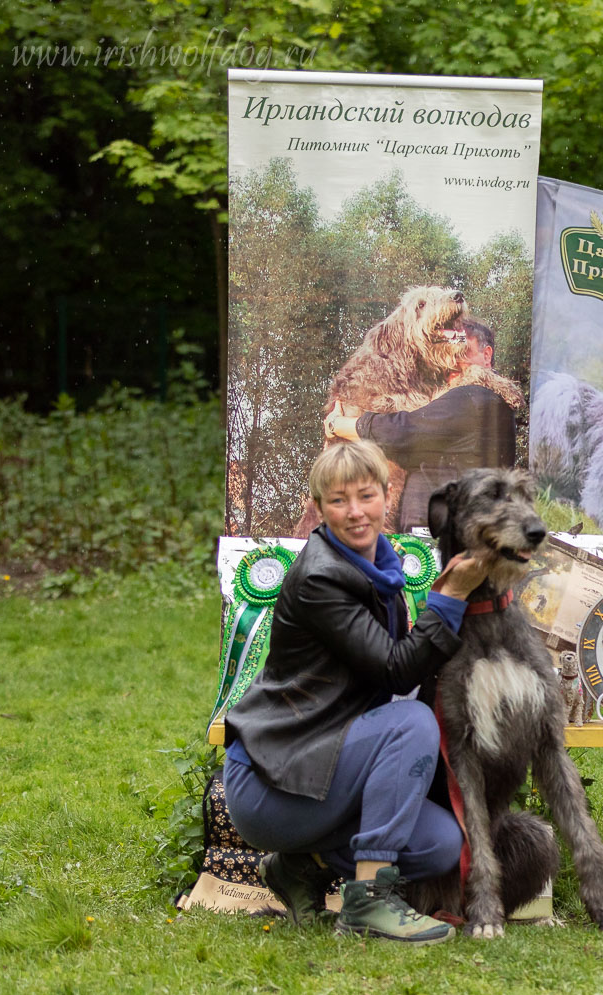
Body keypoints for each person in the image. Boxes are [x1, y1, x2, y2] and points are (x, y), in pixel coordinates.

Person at [223, 439, 490, 943]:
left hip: (320, 763)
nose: (355, 512)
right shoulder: (321, 579)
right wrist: (451, 596)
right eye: (338, 500)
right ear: (320, 508)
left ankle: (298, 867)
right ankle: (368, 902)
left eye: (365, 496)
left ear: (386, 495)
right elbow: (395, 671)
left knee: (439, 843)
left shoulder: (379, 566)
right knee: (411, 723)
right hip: (271, 782)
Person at [324, 317, 521, 531]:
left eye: (463, 349)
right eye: (447, 352)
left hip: (436, 541)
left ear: (486, 355)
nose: (453, 360)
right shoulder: (490, 402)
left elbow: (402, 432)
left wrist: (339, 425)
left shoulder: (472, 396)